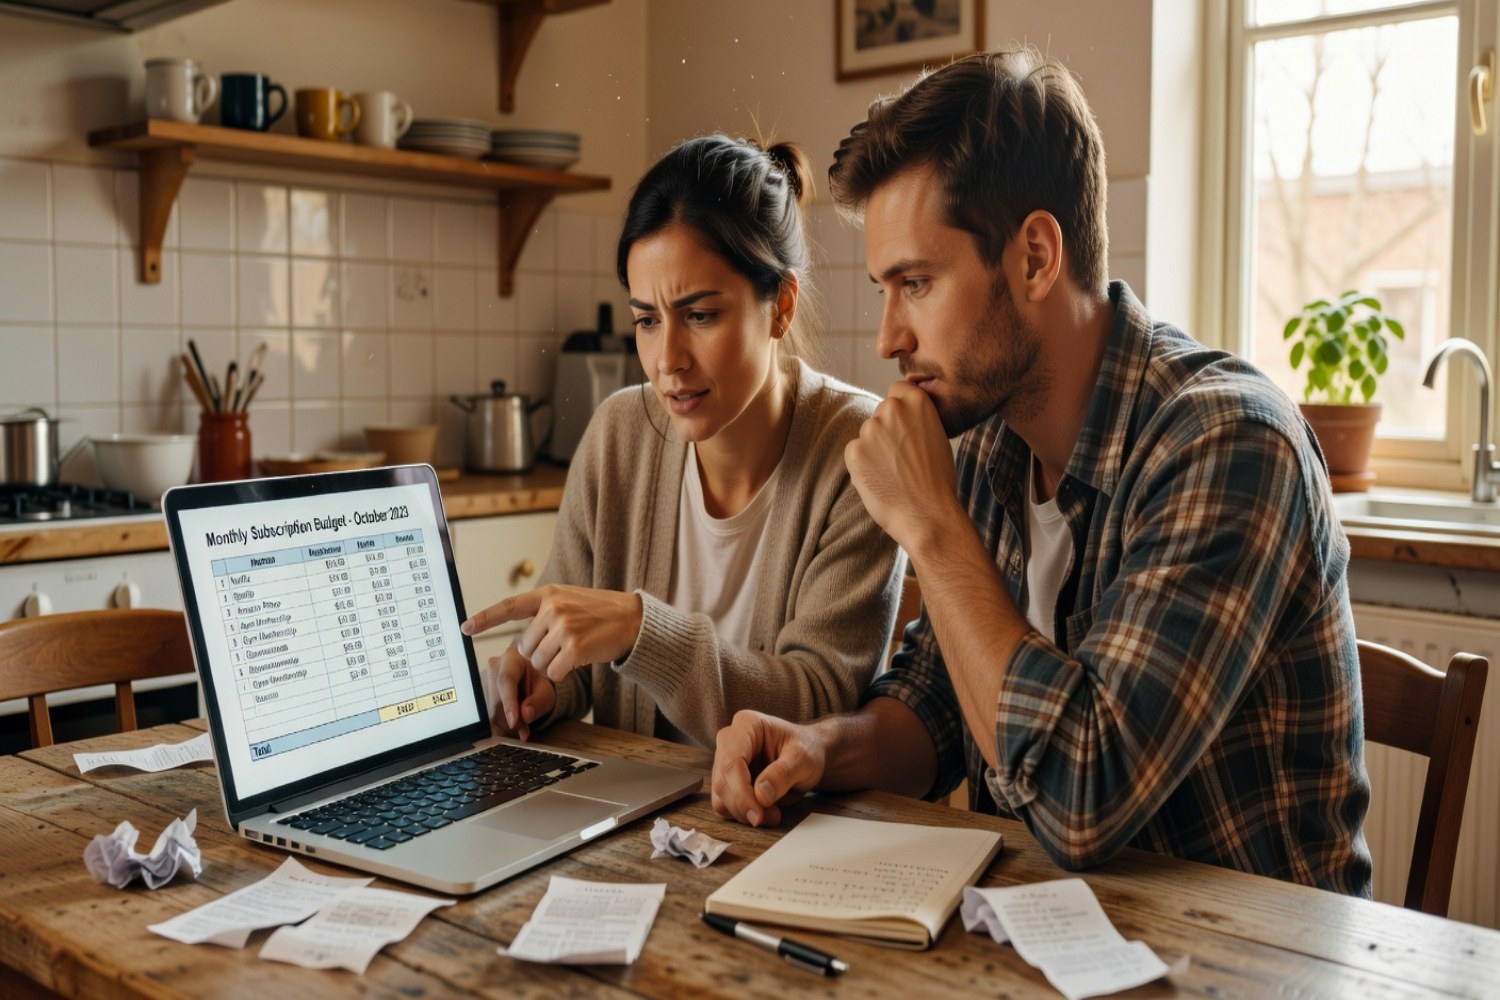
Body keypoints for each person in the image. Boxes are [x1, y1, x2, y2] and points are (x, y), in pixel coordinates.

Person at [710, 49, 1373, 896]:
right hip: (1045, 937)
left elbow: (1080, 798)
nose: (887, 338)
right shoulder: (994, 438)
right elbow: (943, 702)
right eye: (885, 288)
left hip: (1248, 964)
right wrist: (820, 749)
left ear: (1033, 257)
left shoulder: (1227, 442)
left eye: (915, 283)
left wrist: (932, 526)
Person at [460, 134, 905, 750]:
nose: (666, 359)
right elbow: (576, 659)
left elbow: (819, 702)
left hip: (790, 834)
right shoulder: (617, 436)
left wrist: (644, 630)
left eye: (700, 315)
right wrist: (542, 681)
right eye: (646, 320)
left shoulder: (860, 453)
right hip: (634, 828)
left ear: (780, 307)